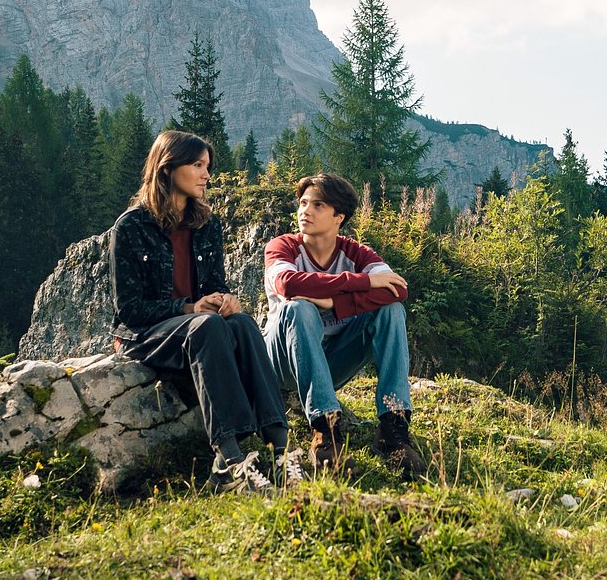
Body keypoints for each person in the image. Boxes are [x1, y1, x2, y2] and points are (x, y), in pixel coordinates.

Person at [109, 130, 295, 492]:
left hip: (195, 329)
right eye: (197, 165)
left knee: (240, 324)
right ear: (168, 168)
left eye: (207, 166)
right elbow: (129, 310)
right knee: (206, 327)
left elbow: (214, 284)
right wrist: (191, 308)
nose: (206, 174)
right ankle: (229, 459)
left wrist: (225, 300)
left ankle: (280, 448)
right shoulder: (130, 227)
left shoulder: (207, 225)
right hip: (145, 337)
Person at [262, 173, 424, 477]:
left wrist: (336, 303)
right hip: (281, 362)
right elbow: (286, 283)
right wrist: (361, 282)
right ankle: (326, 431)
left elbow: (397, 290)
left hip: (331, 363)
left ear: (339, 216)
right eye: (303, 203)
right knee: (300, 308)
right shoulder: (282, 246)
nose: (304, 211)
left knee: (390, 310)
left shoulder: (356, 253)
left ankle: (393, 427)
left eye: (318, 205)